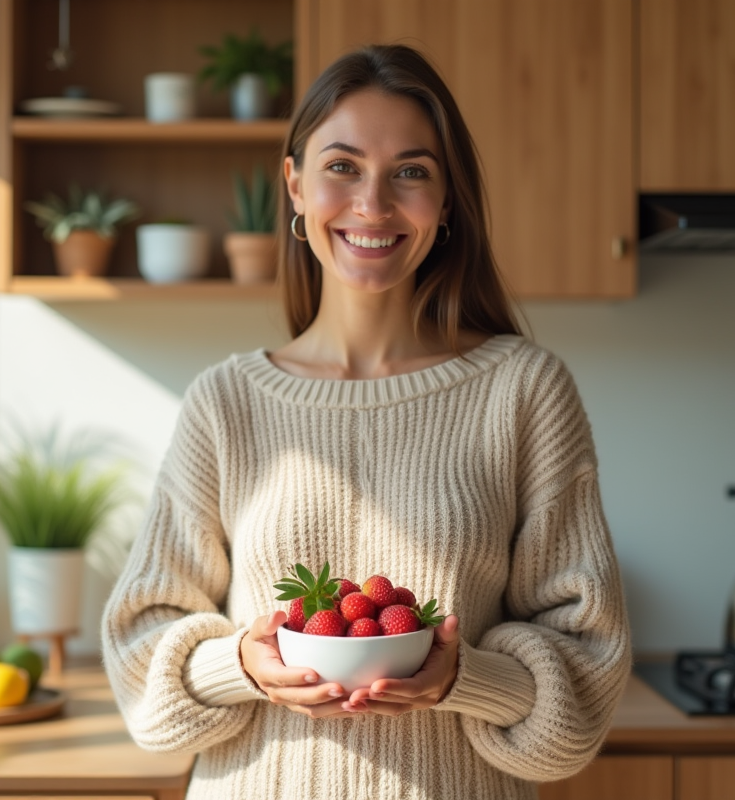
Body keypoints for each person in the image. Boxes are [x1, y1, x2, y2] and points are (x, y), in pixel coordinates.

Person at [101, 44, 631, 800]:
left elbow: (585, 683)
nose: (373, 205)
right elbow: (140, 660)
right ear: (294, 185)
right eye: (342, 166)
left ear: (447, 202)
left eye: (411, 172)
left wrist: (463, 679)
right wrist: (243, 665)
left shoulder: (523, 391)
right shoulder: (226, 403)